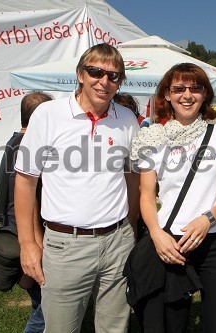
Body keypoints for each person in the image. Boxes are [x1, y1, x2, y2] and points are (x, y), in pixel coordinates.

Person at [14, 43, 140, 333]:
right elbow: (25, 181)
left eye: (114, 76)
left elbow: (132, 177)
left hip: (118, 240)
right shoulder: (48, 114)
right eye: (96, 72)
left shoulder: (127, 119)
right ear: (80, 74)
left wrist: (130, 227)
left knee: (115, 328)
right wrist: (28, 243)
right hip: (65, 245)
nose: (104, 81)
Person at [130, 62, 216, 333]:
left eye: (195, 88)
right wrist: (156, 233)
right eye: (178, 88)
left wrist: (208, 218)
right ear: (167, 95)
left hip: (215, 240)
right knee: (171, 322)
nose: (187, 95)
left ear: (205, 95)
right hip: (170, 243)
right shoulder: (151, 138)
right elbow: (146, 194)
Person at [0, 91, 52, 333]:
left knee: (41, 304)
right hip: (27, 232)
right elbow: (28, 201)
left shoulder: (14, 142)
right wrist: (36, 245)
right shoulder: (25, 147)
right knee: (45, 308)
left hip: (19, 228)